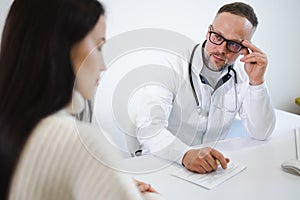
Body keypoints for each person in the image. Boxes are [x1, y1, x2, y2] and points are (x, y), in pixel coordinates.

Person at [0, 0, 162, 199]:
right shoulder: (80, 142)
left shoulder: (12, 126)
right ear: (61, 45)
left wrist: (101, 181)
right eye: (99, 46)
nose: (103, 66)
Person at [133, 2, 276, 174]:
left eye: (234, 44)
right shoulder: (169, 65)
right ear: (208, 31)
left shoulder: (244, 75)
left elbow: (261, 132)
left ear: (245, 48)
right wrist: (185, 155)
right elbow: (149, 128)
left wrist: (257, 83)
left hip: (208, 171)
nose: (221, 49)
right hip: (162, 165)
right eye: (217, 37)